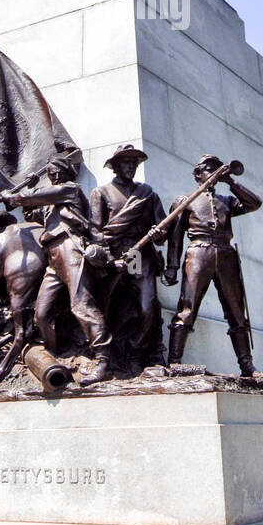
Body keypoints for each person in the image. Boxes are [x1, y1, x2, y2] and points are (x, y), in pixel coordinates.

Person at [2, 155, 113, 382]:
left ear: (66, 172)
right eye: (50, 171)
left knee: (81, 305)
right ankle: (57, 353)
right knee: (42, 314)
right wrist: (28, 190)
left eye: (55, 170)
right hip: (52, 256)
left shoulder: (70, 189)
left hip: (70, 249)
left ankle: (103, 359)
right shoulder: (52, 202)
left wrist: (13, 195)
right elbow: (32, 212)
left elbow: (32, 198)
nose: (52, 174)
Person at [164, 154, 263, 377]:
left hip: (226, 253)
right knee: (187, 308)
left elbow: (254, 203)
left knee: (236, 311)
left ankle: (246, 365)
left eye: (216, 169)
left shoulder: (227, 201)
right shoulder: (185, 200)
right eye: (209, 169)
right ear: (198, 174)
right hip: (198, 252)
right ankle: (174, 361)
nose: (213, 173)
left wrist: (231, 182)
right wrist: (171, 267)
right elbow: (176, 237)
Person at [89, 144, 167, 368]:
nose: (131, 166)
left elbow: (162, 231)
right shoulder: (101, 193)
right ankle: (104, 356)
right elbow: (94, 231)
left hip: (139, 255)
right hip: (112, 255)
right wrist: (111, 260)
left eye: (134, 163)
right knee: (107, 307)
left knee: (147, 307)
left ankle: (136, 351)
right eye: (126, 162)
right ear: (115, 166)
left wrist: (159, 232)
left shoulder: (147, 193)